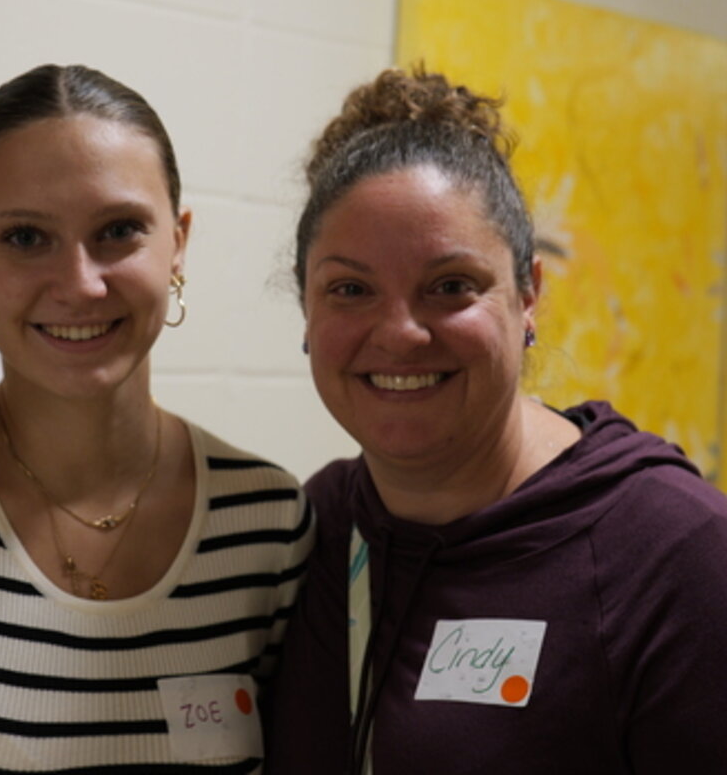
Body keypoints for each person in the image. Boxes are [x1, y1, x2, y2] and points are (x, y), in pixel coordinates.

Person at [0, 63, 314, 773]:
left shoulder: (268, 522)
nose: (81, 284)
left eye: (119, 230)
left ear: (178, 244)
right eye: (26, 237)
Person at [263, 66, 727, 773]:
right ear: (307, 308)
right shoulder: (317, 527)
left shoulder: (675, 553)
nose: (400, 334)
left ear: (528, 295)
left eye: (450, 286)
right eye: (350, 289)